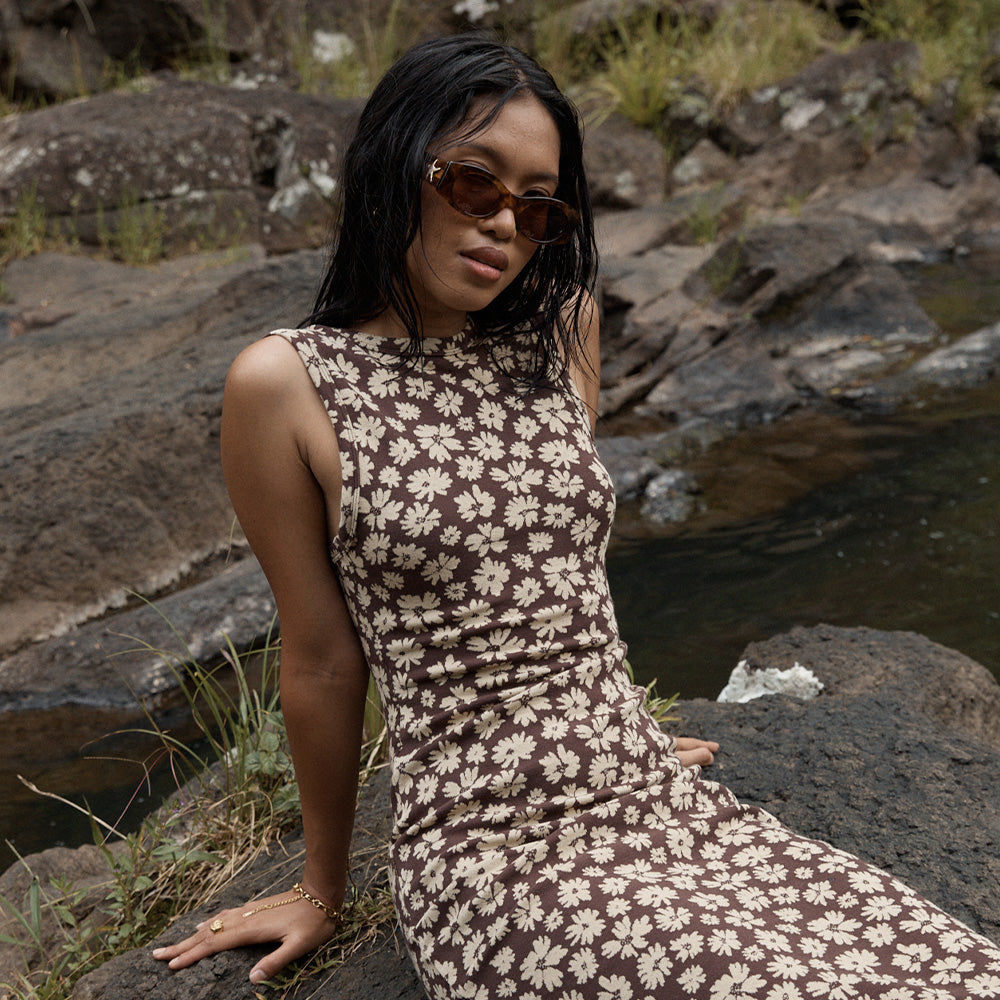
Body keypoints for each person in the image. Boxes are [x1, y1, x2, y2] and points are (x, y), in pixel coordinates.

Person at [154, 33, 1000, 998]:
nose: (503, 225)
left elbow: (552, 562)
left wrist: (602, 725)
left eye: (538, 206)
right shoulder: (284, 383)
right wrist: (321, 886)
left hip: (646, 793)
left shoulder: (562, 330)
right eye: (474, 183)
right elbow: (319, 658)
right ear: (394, 163)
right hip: (492, 852)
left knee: (950, 972)